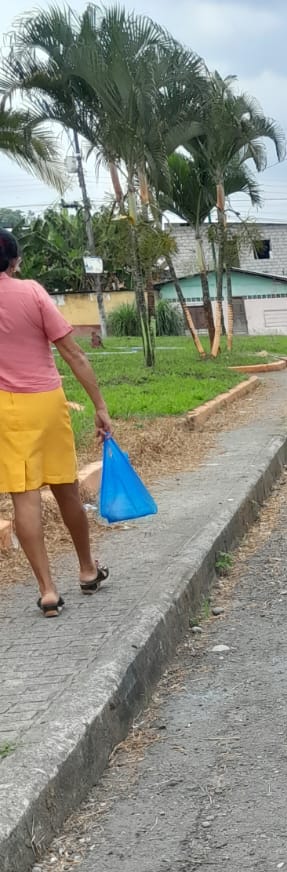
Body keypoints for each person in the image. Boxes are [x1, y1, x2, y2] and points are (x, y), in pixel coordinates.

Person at [0, 227, 113, 616]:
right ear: (15, 261)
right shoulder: (32, 292)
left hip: (5, 412)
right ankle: (87, 569)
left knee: (24, 497)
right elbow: (72, 352)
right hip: (47, 402)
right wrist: (99, 405)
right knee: (67, 490)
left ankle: (47, 591)